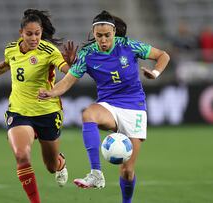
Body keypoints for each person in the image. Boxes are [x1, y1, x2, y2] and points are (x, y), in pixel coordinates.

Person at [38, 10, 170, 203]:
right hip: (108, 105)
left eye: (107, 35)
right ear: (94, 34)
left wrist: (155, 73)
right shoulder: (87, 54)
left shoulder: (129, 46)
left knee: (127, 171)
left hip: (134, 107)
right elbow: (67, 81)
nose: (103, 39)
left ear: (114, 32)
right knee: (88, 114)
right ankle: (96, 173)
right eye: (99, 35)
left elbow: (163, 55)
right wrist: (51, 92)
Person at [0, 9, 71, 203]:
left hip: (47, 112)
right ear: (21, 33)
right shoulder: (12, 48)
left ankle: (60, 163)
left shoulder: (48, 51)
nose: (34, 38)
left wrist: (72, 65)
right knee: (22, 156)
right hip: (19, 111)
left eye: (37, 33)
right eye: (29, 34)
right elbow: (4, 65)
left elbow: (67, 70)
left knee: (51, 166)